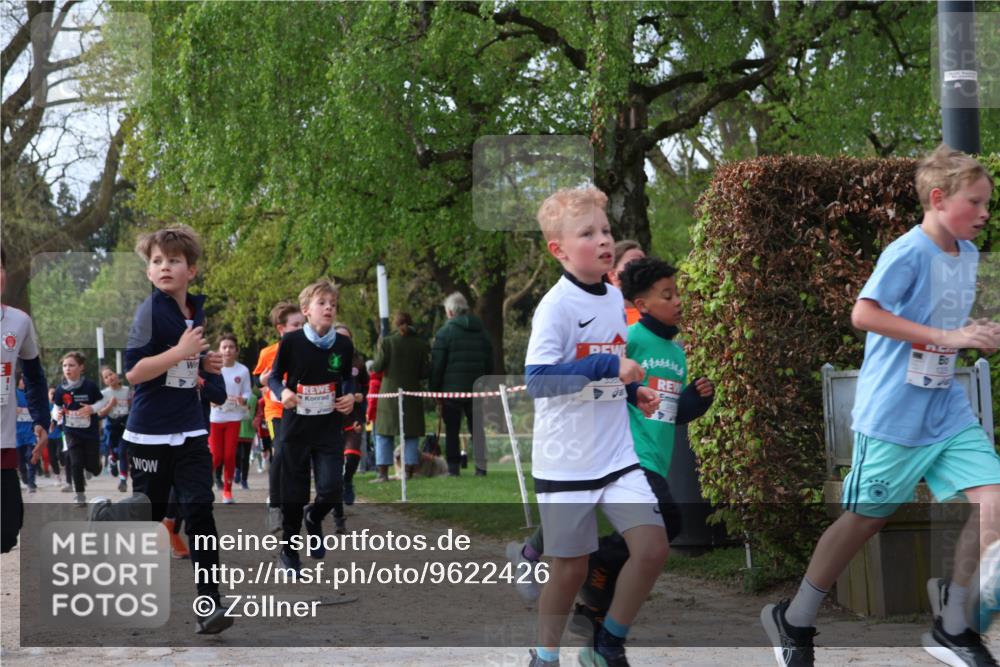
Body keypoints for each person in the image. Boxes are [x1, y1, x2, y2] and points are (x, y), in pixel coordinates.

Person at [761, 144, 1000, 667]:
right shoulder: (906, 252)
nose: (986, 213)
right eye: (977, 203)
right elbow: (864, 314)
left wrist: (975, 333)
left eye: (989, 203)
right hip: (892, 416)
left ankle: (953, 625)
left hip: (946, 412)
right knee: (864, 521)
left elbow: (950, 331)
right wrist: (946, 334)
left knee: (995, 502)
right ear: (938, 199)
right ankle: (795, 617)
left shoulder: (971, 254)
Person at [523, 186, 666, 667]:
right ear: (558, 250)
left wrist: (632, 391)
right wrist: (613, 372)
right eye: (588, 234)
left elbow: (609, 362)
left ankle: (608, 643)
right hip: (566, 460)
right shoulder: (556, 307)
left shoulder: (613, 298)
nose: (604, 240)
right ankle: (545, 655)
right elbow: (538, 380)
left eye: (605, 231)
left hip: (616, 456)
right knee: (570, 568)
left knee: (651, 548)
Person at [97, 224, 232, 635]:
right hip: (150, 435)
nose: (165, 267)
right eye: (157, 261)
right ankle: (108, 517)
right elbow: (135, 373)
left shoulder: (194, 310)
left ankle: (210, 604)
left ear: (191, 270)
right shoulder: (149, 313)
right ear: (148, 272)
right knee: (150, 515)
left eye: (174, 260)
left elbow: (184, 366)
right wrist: (181, 353)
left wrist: (200, 366)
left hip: (190, 432)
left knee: (199, 511)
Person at [268, 279, 355, 572]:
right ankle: (289, 552)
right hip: (297, 427)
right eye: (322, 303)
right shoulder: (291, 342)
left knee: (331, 489)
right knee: (294, 492)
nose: (329, 308)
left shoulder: (342, 344)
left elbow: (347, 377)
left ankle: (314, 518)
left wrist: (350, 396)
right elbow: (275, 377)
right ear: (306, 310)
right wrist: (284, 393)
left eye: (333, 304)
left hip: (328, 427)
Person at [0, 248, 49, 553]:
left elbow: (33, 375)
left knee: (6, 532)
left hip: (3, 446)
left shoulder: (18, 322)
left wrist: (41, 419)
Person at [254, 301, 305, 532]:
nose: (301, 328)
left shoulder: (310, 349)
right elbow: (259, 380)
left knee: (299, 458)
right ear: (281, 328)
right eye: (295, 325)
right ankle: (275, 506)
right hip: (276, 412)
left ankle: (296, 504)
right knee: (281, 451)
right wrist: (265, 382)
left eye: (303, 324)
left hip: (302, 411)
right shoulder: (268, 353)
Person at [430, 292, 493, 477]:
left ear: (450, 312)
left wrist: (434, 390)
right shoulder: (481, 331)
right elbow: (490, 359)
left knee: (452, 430)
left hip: (451, 390)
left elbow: (437, 365)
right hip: (476, 389)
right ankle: (481, 468)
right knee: (477, 430)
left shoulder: (445, 333)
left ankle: (453, 468)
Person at [372, 312, 430, 483]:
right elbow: (424, 372)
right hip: (411, 394)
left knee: (383, 433)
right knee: (411, 434)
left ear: (396, 324)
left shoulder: (388, 342)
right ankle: (408, 473)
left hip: (389, 394)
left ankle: (383, 474)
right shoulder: (421, 344)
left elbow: (377, 366)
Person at [53, 351, 104, 507]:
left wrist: (92, 408)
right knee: (75, 462)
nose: (67, 368)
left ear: (81, 367)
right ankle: (79, 496)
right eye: (65, 365)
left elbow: (101, 402)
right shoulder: (61, 389)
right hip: (71, 431)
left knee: (92, 468)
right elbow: (56, 408)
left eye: (71, 365)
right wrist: (58, 415)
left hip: (90, 433)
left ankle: (97, 465)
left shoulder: (90, 386)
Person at [209, 333, 251, 503]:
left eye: (231, 347)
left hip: (234, 418)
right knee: (216, 456)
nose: (227, 350)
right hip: (216, 418)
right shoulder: (213, 368)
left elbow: (247, 391)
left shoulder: (243, 370)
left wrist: (244, 398)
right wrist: (211, 399)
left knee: (229, 456)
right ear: (219, 350)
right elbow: (206, 388)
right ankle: (200, 484)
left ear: (236, 350)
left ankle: (227, 491)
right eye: (224, 347)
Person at [333, 323, 369, 507]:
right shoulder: (326, 358)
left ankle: (347, 481)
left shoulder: (358, 363)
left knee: (353, 454)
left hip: (353, 416)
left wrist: (361, 395)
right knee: (334, 459)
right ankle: (335, 489)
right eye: (339, 337)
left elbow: (365, 386)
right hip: (331, 417)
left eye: (346, 338)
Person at [97, 366, 132, 493]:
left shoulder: (127, 390)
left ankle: (123, 481)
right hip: (111, 426)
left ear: (116, 375)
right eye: (106, 377)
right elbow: (100, 413)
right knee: (115, 452)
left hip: (125, 424)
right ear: (104, 381)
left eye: (110, 374)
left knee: (123, 452)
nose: (109, 378)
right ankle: (112, 460)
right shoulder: (104, 394)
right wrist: (110, 405)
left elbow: (131, 405)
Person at [608, 240, 646, 326]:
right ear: (613, 274)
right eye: (633, 262)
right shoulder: (602, 315)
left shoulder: (658, 312)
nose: (643, 267)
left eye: (644, 262)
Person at [15, 377, 38, 493]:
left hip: (31, 431)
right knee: (20, 461)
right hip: (17, 433)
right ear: (18, 381)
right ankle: (24, 476)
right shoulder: (13, 394)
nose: (24, 382)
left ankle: (31, 482)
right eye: (22, 380)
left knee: (31, 456)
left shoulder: (32, 394)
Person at [234, 386, 258, 490]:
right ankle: (238, 470)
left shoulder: (254, 398)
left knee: (245, 457)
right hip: (235, 431)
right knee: (236, 455)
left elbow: (259, 413)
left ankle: (244, 481)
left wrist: (256, 420)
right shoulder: (232, 397)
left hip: (248, 431)